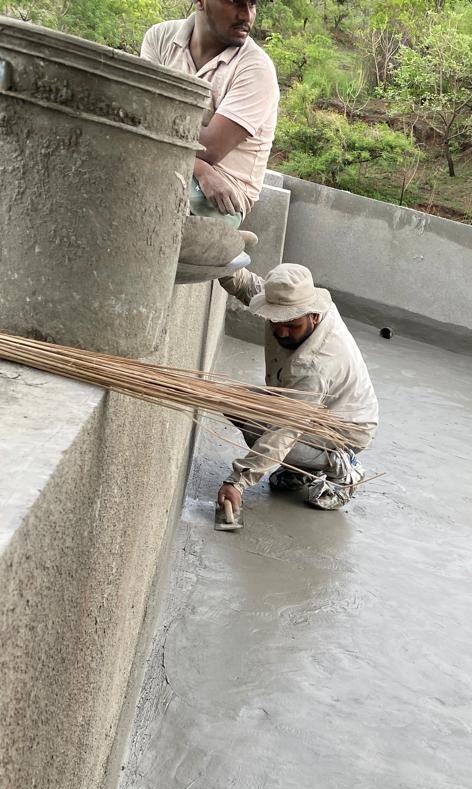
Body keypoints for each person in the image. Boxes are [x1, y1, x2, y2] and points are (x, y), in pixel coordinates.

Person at [216, 264, 379, 517]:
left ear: (313, 315)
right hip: (315, 408)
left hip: (344, 429)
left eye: (292, 326)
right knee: (234, 402)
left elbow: (285, 428)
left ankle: (342, 467)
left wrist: (238, 480)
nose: (281, 331)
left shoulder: (314, 365)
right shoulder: (292, 300)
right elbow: (245, 283)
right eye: (275, 321)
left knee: (258, 429)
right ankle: (301, 466)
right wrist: (218, 257)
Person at [141, 0, 279, 227]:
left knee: (153, 194)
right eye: (235, 2)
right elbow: (140, 116)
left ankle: (223, 245)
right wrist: (201, 169)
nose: (246, 16)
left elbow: (208, 149)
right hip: (171, 164)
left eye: (252, 4)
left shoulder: (255, 68)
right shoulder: (161, 38)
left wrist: (202, 167)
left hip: (220, 192)